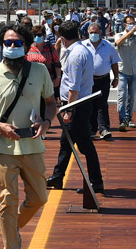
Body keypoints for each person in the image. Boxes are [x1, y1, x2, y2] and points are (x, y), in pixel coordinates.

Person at [0, 24, 56, 249]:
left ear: (26, 45)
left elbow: (51, 103)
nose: (11, 47)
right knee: (7, 201)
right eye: (7, 43)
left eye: (16, 43)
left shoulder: (40, 71)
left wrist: (46, 122)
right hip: (4, 146)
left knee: (40, 198)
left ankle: (13, 227)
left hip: (32, 145)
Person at [46, 20, 104, 193]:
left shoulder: (75, 55)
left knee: (85, 144)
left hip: (76, 104)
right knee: (66, 142)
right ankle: (57, 176)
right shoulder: (82, 50)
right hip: (78, 103)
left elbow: (74, 87)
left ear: (62, 39)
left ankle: (96, 182)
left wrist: (68, 110)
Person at [83, 23, 121, 140]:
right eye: (91, 32)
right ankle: (91, 129)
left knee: (102, 104)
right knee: (89, 105)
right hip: (88, 80)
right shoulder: (83, 46)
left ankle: (104, 129)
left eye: (95, 32)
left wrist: (116, 78)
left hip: (103, 79)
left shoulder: (108, 46)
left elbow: (114, 63)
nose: (93, 34)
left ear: (101, 33)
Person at [26, 24, 61, 90]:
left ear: (44, 35)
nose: (36, 37)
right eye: (35, 35)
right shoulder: (29, 47)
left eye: (39, 35)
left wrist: (58, 78)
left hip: (48, 83)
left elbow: (57, 63)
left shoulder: (49, 47)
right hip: (32, 84)